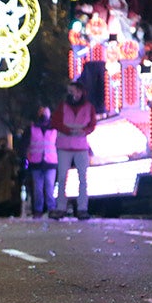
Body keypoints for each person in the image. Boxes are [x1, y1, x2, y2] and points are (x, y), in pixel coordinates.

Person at [51, 81, 97, 220]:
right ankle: (61, 208)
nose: (71, 94)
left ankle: (82, 209)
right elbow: (55, 122)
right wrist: (69, 131)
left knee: (82, 178)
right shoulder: (63, 106)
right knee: (62, 177)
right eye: (69, 91)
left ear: (80, 92)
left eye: (73, 91)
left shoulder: (89, 107)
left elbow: (92, 124)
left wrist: (84, 131)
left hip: (81, 146)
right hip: (64, 145)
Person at [22, 105, 58, 218]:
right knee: (38, 188)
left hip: (49, 163)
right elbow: (24, 145)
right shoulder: (32, 129)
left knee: (49, 188)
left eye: (45, 112)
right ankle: (38, 210)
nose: (44, 114)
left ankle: (51, 209)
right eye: (42, 112)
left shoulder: (54, 129)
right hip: (36, 163)